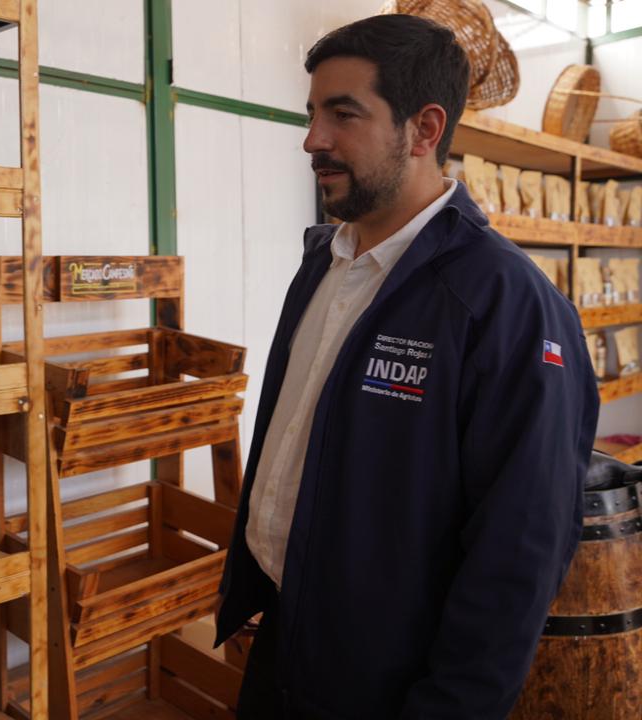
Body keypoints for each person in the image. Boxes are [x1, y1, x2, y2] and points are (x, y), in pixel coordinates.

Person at [214, 14, 599, 719]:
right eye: (312, 114)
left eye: (343, 114)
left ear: (424, 130)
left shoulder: (508, 305)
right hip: (286, 639)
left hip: (393, 682)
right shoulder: (324, 265)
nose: (313, 140)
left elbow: (519, 552)